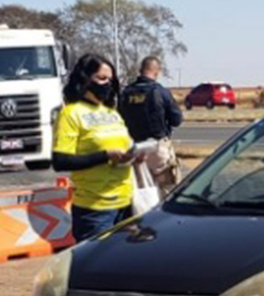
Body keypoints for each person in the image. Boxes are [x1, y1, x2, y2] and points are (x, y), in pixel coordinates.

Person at [53, 53, 135, 242]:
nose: (107, 84)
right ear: (85, 78)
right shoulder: (71, 114)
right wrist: (105, 156)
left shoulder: (112, 113)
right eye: (101, 78)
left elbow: (125, 145)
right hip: (95, 209)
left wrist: (135, 155)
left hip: (126, 205)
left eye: (110, 80)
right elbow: (61, 161)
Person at [118, 56, 184, 199]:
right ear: (156, 72)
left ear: (141, 70)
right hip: (158, 148)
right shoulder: (160, 92)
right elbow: (177, 120)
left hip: (135, 149)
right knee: (167, 191)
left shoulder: (126, 93)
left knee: (142, 194)